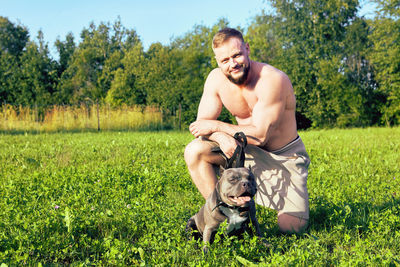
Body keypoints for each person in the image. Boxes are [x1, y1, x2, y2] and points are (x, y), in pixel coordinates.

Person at [184, 28, 311, 234]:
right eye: (224, 60)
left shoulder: (271, 80)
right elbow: (201, 126)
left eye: (236, 55)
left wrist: (218, 127)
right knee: (195, 151)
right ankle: (226, 215)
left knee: (291, 228)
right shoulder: (216, 80)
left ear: (247, 49)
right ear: (217, 61)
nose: (232, 63)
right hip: (243, 154)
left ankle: (280, 214)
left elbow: (260, 135)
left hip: (284, 158)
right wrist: (221, 138)